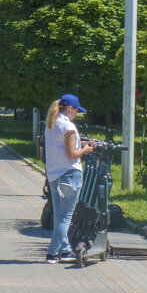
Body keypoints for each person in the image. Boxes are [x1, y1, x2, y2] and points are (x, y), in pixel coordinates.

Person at [43, 94, 94, 263]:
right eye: (76, 111)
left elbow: (62, 146)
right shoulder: (68, 126)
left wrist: (81, 142)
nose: (76, 114)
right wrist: (85, 150)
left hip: (54, 174)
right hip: (70, 174)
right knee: (66, 217)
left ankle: (65, 250)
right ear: (70, 108)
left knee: (59, 215)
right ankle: (52, 253)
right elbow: (72, 154)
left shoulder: (52, 124)